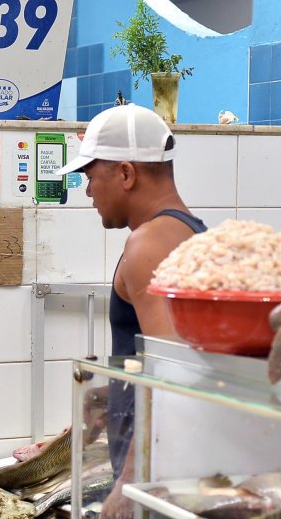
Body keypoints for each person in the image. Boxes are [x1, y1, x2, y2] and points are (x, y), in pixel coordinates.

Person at [55, 104, 208, 519]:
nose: (88, 191)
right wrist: (111, 395)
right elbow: (179, 352)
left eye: (90, 177)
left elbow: (171, 372)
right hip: (171, 462)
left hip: (156, 477)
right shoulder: (186, 231)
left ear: (125, 173)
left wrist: (128, 484)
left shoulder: (149, 244)